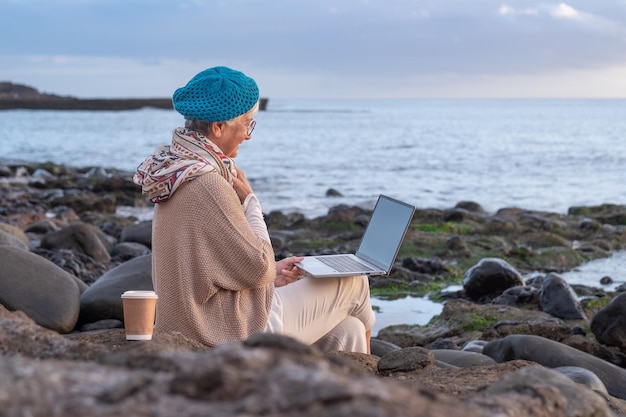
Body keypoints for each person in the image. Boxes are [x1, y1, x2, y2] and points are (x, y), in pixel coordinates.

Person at [133, 66, 375, 353]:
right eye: (247, 123)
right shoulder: (208, 182)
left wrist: (273, 272)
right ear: (218, 127)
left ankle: (340, 391)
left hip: (195, 320)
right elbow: (258, 267)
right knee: (355, 283)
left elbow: (214, 264)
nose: (248, 135)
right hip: (227, 330)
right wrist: (251, 201)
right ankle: (378, 395)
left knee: (348, 331)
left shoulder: (176, 172)